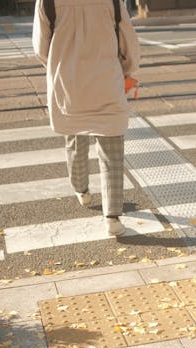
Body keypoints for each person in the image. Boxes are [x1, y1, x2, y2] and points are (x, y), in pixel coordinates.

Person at [32, 0, 141, 238]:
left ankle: (81, 190)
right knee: (112, 150)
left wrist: (59, 64)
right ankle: (112, 218)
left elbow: (41, 47)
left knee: (74, 136)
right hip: (106, 81)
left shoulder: (48, 1)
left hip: (68, 82)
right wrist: (130, 72)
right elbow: (129, 41)